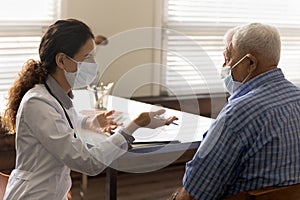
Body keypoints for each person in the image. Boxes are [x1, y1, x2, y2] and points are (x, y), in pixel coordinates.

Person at [1, 18, 177, 199]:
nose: (94, 64)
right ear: (62, 60)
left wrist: (89, 122)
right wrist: (135, 125)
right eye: (87, 57)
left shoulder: (55, 96)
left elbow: (62, 123)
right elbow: (89, 163)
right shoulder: (38, 103)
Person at [168, 23, 300, 200]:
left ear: (250, 63)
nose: (225, 65)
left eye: (228, 57)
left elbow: (195, 191)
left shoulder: (238, 112)